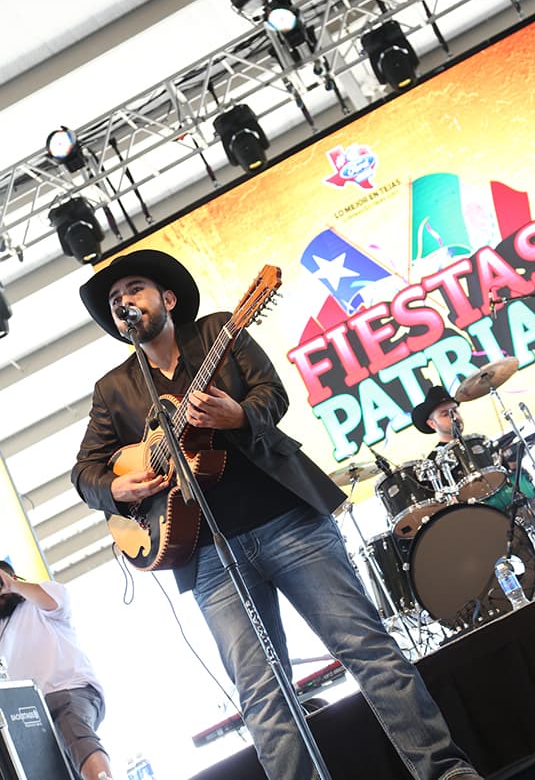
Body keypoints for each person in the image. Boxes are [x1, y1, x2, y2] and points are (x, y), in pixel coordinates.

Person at [71, 249, 481, 780]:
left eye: (134, 288)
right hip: (208, 557)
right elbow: (85, 474)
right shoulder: (114, 389)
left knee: (367, 649)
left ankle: (445, 772)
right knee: (263, 698)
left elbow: (273, 392)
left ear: (167, 299)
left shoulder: (220, 330)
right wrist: (118, 485)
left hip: (289, 521)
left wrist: (240, 414)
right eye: (114, 298)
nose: (124, 300)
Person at [411, 385, 535, 555]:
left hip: (508, 505)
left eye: (455, 411)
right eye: (445, 414)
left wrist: (513, 463)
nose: (454, 417)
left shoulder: (478, 445)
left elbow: (504, 474)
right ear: (432, 424)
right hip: (479, 520)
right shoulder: (434, 462)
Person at [0, 560, 112, 780]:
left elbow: (53, 601)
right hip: (30, 715)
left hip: (70, 691)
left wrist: (12, 585)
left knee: (70, 725)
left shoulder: (39, 599)